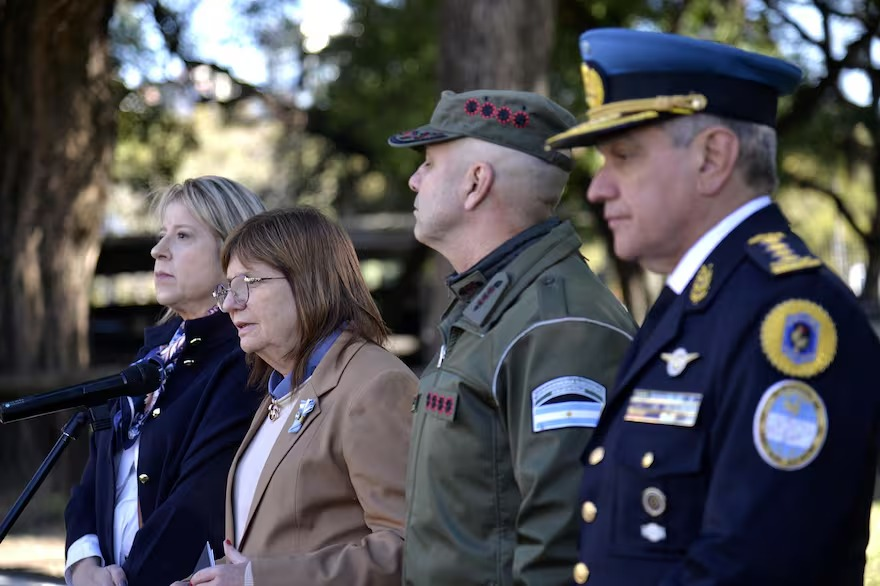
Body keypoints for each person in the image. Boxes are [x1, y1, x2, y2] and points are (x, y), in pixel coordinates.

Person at [546, 28, 880, 585]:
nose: (598, 188)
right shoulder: (700, 301)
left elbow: (754, 569)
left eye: (623, 156)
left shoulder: (790, 321)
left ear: (712, 158)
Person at [387, 89, 637, 585]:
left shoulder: (558, 326)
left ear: (476, 183)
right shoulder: (494, 307)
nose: (414, 180)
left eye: (430, 164)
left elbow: (565, 551)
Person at [183, 206, 417, 586]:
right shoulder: (283, 391)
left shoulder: (375, 385)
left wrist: (256, 579)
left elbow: (409, 549)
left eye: (247, 283)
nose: (229, 304)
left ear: (309, 281)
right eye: (227, 288)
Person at [64, 176, 266, 586]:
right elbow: (93, 480)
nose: (158, 250)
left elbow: (195, 506)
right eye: (161, 235)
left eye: (183, 236)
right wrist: (83, 565)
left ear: (233, 252)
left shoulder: (244, 361)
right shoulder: (154, 355)